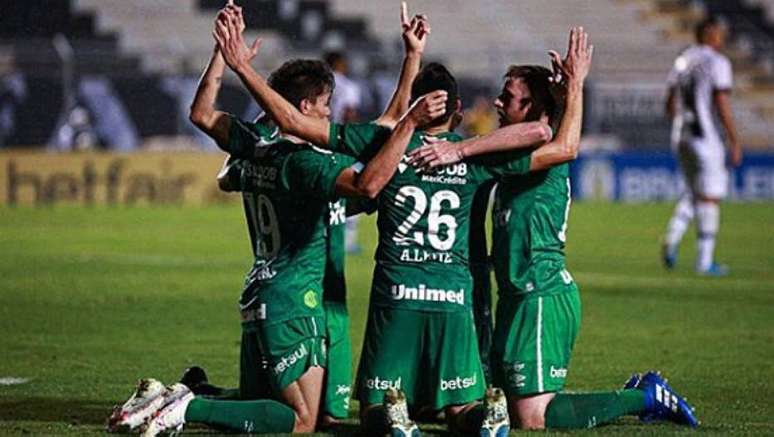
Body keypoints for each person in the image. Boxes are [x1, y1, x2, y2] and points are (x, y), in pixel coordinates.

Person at [106, 3, 445, 435]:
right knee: (300, 422)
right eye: (325, 104)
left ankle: (184, 393)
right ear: (305, 106)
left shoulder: (255, 145)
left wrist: (222, 53)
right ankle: (184, 409)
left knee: (285, 409)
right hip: (296, 300)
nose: (330, 113)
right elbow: (369, 182)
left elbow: (202, 115)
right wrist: (413, 118)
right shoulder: (307, 164)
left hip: (263, 294)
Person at [409, 28, 700, 430]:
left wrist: (573, 89)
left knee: (532, 419)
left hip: (541, 294)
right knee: (498, 410)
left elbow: (559, 141)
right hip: (513, 296)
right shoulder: (510, 157)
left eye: (508, 97)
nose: (496, 101)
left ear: (533, 108)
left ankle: (644, 395)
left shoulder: (544, 156)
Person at [662, 16, 742, 276]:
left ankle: (673, 237)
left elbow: (670, 101)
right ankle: (704, 262)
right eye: (719, 34)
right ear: (710, 35)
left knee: (695, 191)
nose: (722, 38)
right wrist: (733, 138)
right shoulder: (717, 62)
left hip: (681, 135)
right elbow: (721, 102)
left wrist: (680, 123)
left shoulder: (683, 60)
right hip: (705, 137)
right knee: (710, 197)